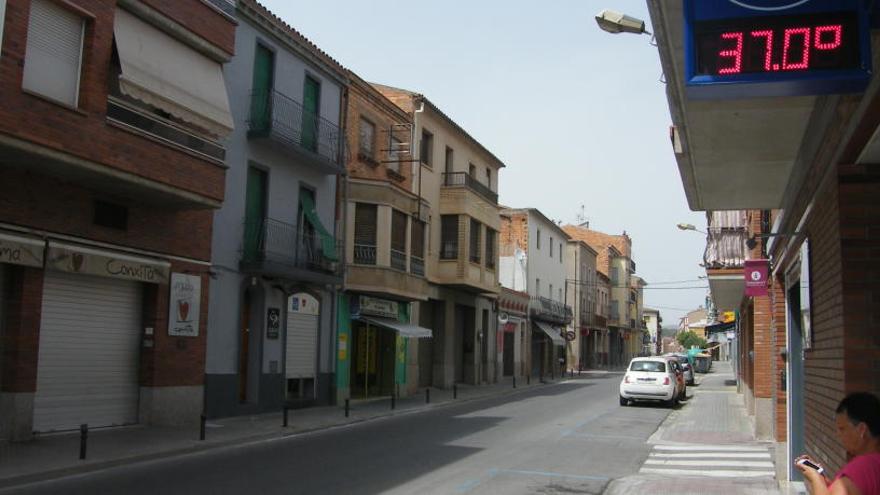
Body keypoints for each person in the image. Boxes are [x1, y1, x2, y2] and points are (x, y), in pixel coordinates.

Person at [795, 392, 880, 495]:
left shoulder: (860, 469)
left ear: (861, 429)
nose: (838, 435)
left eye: (842, 429)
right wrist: (823, 481)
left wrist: (815, 479)